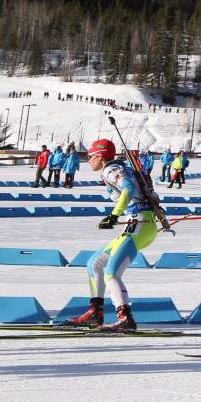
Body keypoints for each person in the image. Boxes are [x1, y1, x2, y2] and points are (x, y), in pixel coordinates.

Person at [63, 139, 158, 330]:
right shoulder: (119, 168)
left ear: (100, 156)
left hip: (139, 223)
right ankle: (95, 312)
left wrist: (114, 215)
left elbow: (128, 190)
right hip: (139, 223)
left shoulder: (110, 169)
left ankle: (125, 318)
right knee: (95, 263)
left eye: (89, 156)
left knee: (111, 273)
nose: (88, 161)